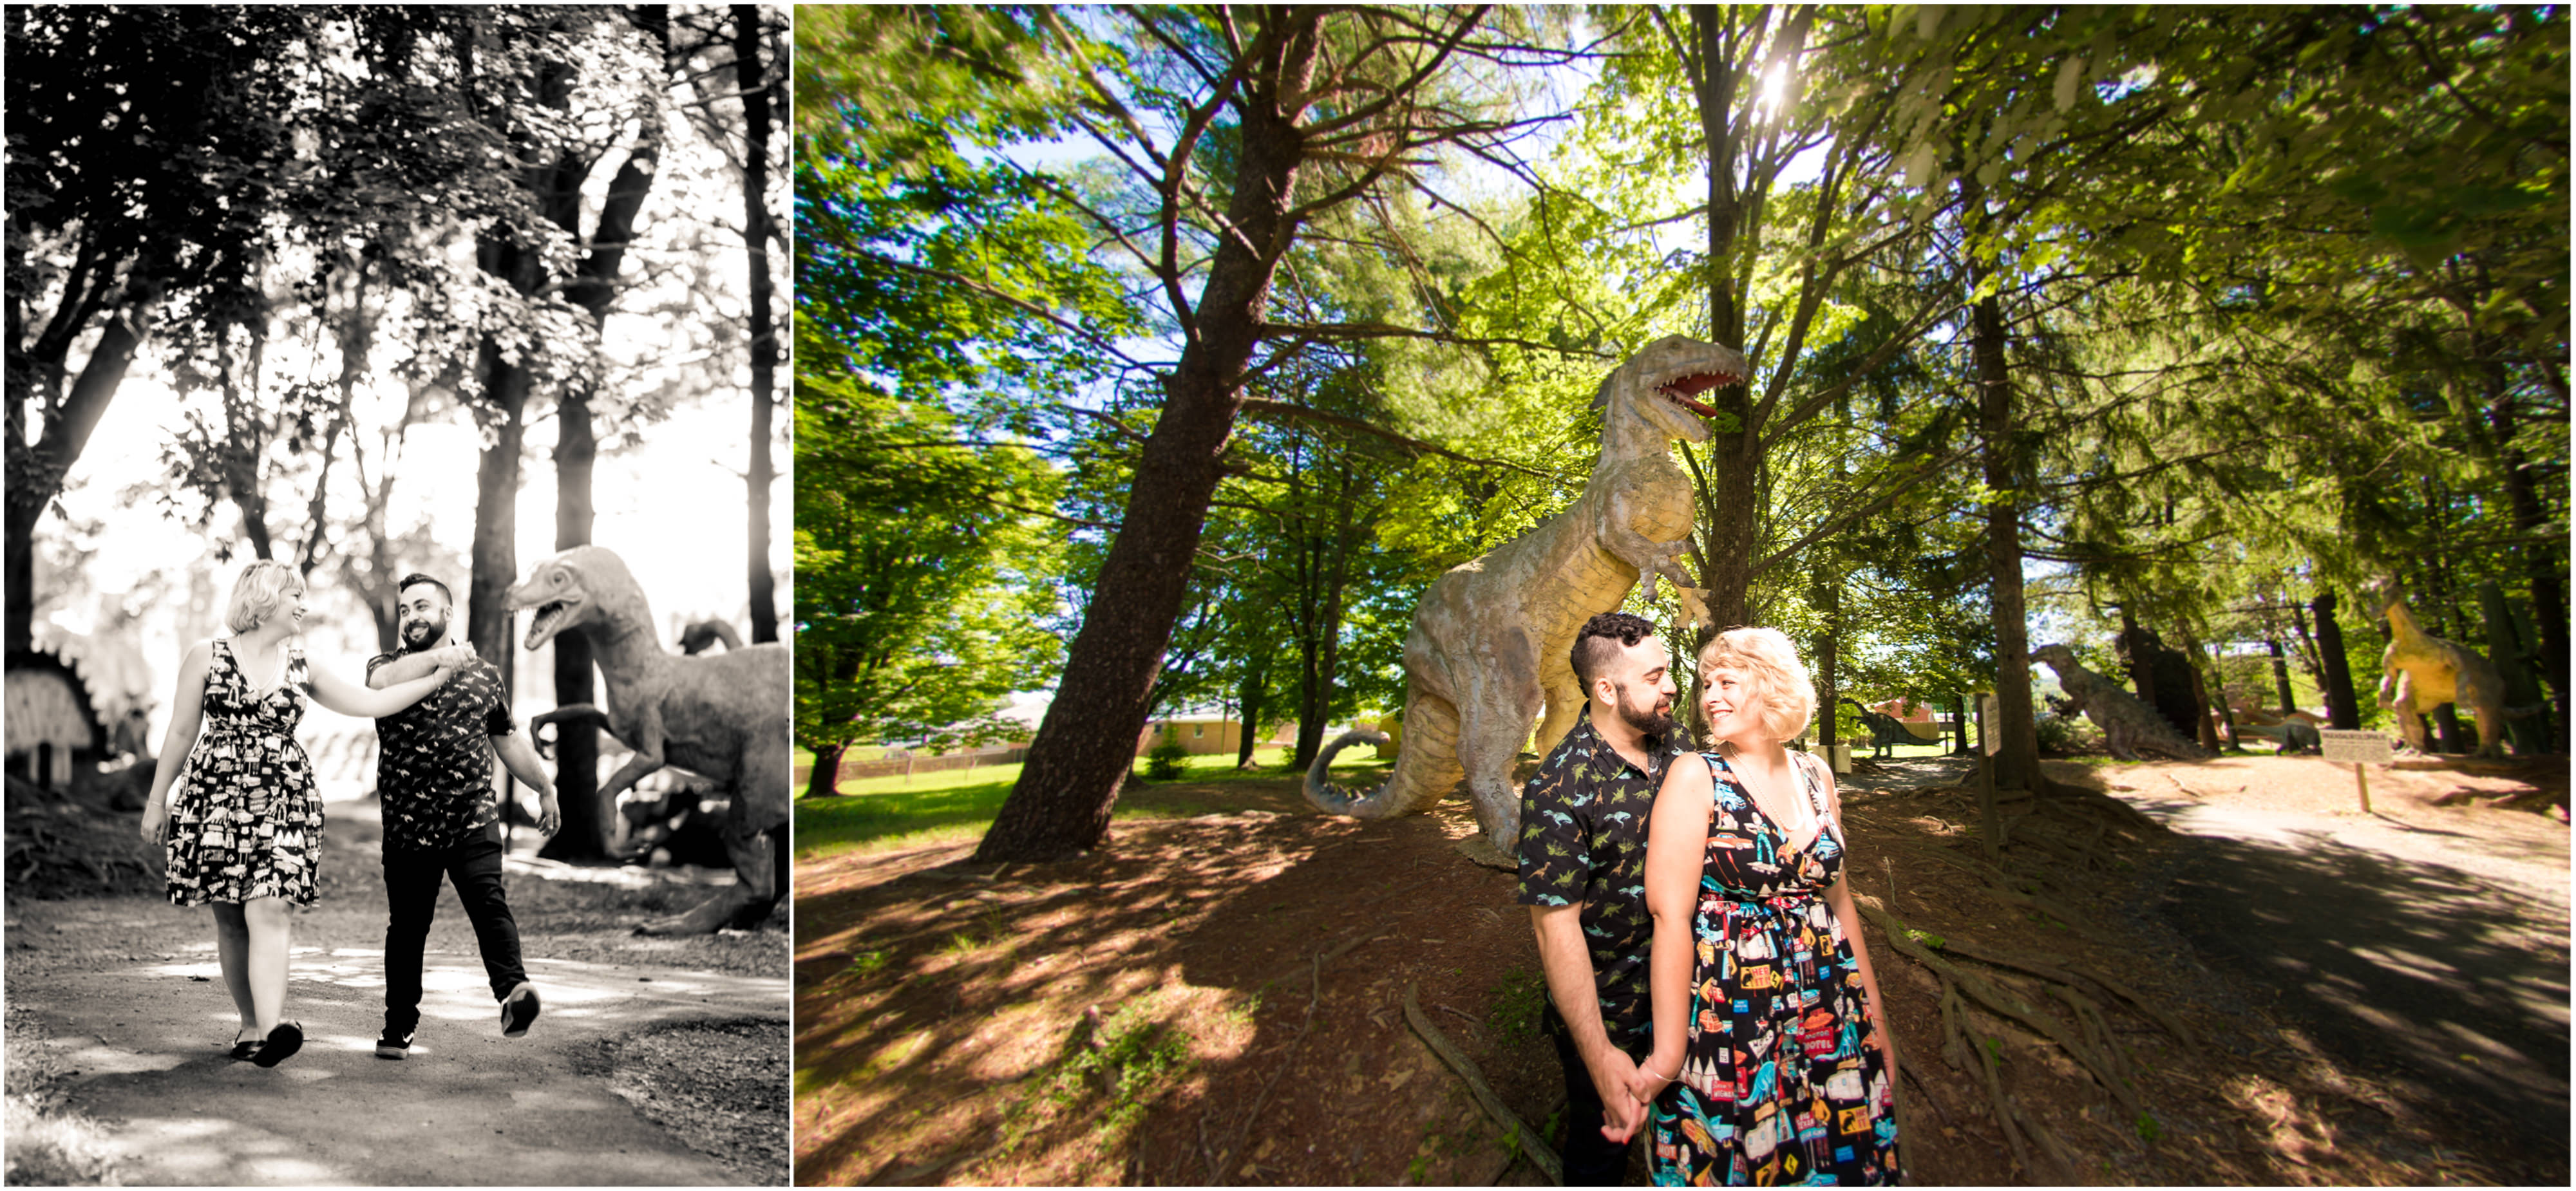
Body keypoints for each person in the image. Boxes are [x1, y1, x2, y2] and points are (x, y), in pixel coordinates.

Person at [140, 560, 457, 1068]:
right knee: (231, 920)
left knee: (270, 907)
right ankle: (250, 1024)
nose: (304, 607)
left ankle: (272, 1029)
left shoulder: (302, 662)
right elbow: (180, 732)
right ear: (265, 599)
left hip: (285, 800)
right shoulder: (207, 656)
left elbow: (369, 702)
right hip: (214, 799)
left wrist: (437, 675)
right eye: (296, 597)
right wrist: (159, 801)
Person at [1623, 627, 1899, 1185]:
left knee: (1836, 1151)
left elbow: (1840, 906)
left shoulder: (1816, 776)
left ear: (1771, 686)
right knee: (1739, 1161)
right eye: (1705, 684)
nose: (1709, 697)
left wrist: (1878, 1025)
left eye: (1727, 681)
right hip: (1733, 1020)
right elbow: (1669, 917)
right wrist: (1669, 1056)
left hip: (1831, 1012)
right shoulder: (1696, 775)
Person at [1518, 611, 1695, 1184]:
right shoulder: (1557, 788)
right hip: (1613, 1015)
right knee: (1602, 1156)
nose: (1671, 686)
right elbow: (1555, 929)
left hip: (1694, 994)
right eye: (1654, 676)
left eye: (1668, 672)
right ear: (1605, 689)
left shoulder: (1679, 747)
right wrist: (1598, 1054)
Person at [364, 572, 560, 1060]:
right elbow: (377, 685)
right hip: (409, 826)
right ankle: (399, 1025)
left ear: (447, 614)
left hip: (472, 817)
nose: (412, 616)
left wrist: (545, 787)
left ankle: (514, 993)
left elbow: (509, 739)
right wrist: (440, 659)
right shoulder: (386, 667)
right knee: (407, 929)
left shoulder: (485, 676)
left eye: (423, 607)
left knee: (490, 904)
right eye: (406, 609)